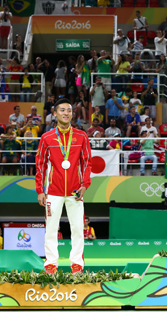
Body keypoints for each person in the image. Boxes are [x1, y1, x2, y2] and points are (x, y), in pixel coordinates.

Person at [35, 98, 92, 274]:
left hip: (75, 191)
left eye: (69, 110)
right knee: (51, 229)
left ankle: (77, 265)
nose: (66, 113)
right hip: (53, 191)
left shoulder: (81, 136)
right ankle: (51, 264)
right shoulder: (47, 138)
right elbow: (40, 164)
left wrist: (84, 185)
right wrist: (40, 190)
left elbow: (87, 163)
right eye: (62, 110)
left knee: (77, 228)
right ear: (55, 113)